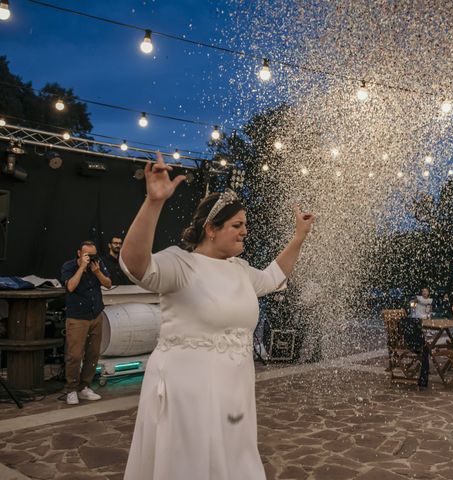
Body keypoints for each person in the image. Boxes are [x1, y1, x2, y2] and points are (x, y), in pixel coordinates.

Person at [119, 152, 314, 480]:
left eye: (245, 226)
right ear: (211, 228)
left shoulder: (240, 271)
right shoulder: (181, 265)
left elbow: (273, 276)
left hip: (234, 390)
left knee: (233, 461)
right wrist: (153, 203)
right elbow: (135, 264)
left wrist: (298, 238)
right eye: (237, 225)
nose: (244, 232)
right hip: (186, 390)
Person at [60, 240, 112, 405]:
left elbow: (108, 284)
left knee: (93, 353)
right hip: (77, 317)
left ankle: (85, 387)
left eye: (93, 254)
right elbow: (70, 287)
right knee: (75, 355)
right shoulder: (69, 266)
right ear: (79, 254)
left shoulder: (98, 264)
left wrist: (97, 272)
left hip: (95, 314)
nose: (90, 258)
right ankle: (71, 389)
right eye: (87, 255)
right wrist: (82, 267)